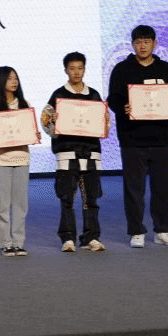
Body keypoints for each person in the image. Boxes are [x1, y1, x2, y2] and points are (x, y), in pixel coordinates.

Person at [107, 25, 168, 248]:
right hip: (132, 138)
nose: (142, 46)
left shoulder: (165, 68)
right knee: (134, 189)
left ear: (154, 44)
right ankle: (136, 231)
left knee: (163, 188)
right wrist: (124, 108)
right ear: (133, 44)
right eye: (138, 42)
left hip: (161, 138)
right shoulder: (122, 69)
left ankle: (163, 230)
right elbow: (113, 99)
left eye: (147, 42)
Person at [41, 52, 108, 253]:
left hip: (91, 154)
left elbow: (104, 125)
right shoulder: (58, 95)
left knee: (91, 199)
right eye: (72, 68)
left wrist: (104, 123)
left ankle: (91, 237)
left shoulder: (94, 95)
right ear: (66, 70)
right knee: (67, 199)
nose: (76, 72)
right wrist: (54, 122)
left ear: (84, 69)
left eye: (80, 68)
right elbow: (45, 121)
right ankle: (68, 238)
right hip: (67, 154)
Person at [0, 66, 32, 256]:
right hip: (0, 160)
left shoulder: (25, 105)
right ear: (1, 81)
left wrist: (33, 134)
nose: (14, 82)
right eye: (10, 78)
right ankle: (6, 243)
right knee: (2, 205)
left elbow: (29, 131)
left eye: (16, 78)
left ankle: (18, 242)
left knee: (20, 204)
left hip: (21, 158)